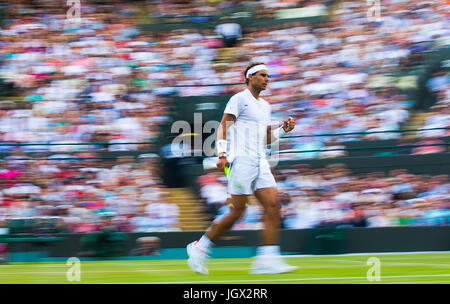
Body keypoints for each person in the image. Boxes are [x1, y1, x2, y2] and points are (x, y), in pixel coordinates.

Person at [186, 62, 297, 275]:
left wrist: (283, 130)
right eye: (262, 75)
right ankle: (200, 247)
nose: (267, 78)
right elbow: (223, 127)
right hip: (241, 161)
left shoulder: (266, 106)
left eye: (268, 75)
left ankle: (268, 259)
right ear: (250, 77)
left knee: (273, 207)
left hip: (260, 161)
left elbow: (266, 139)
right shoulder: (239, 99)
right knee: (237, 211)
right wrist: (221, 154)